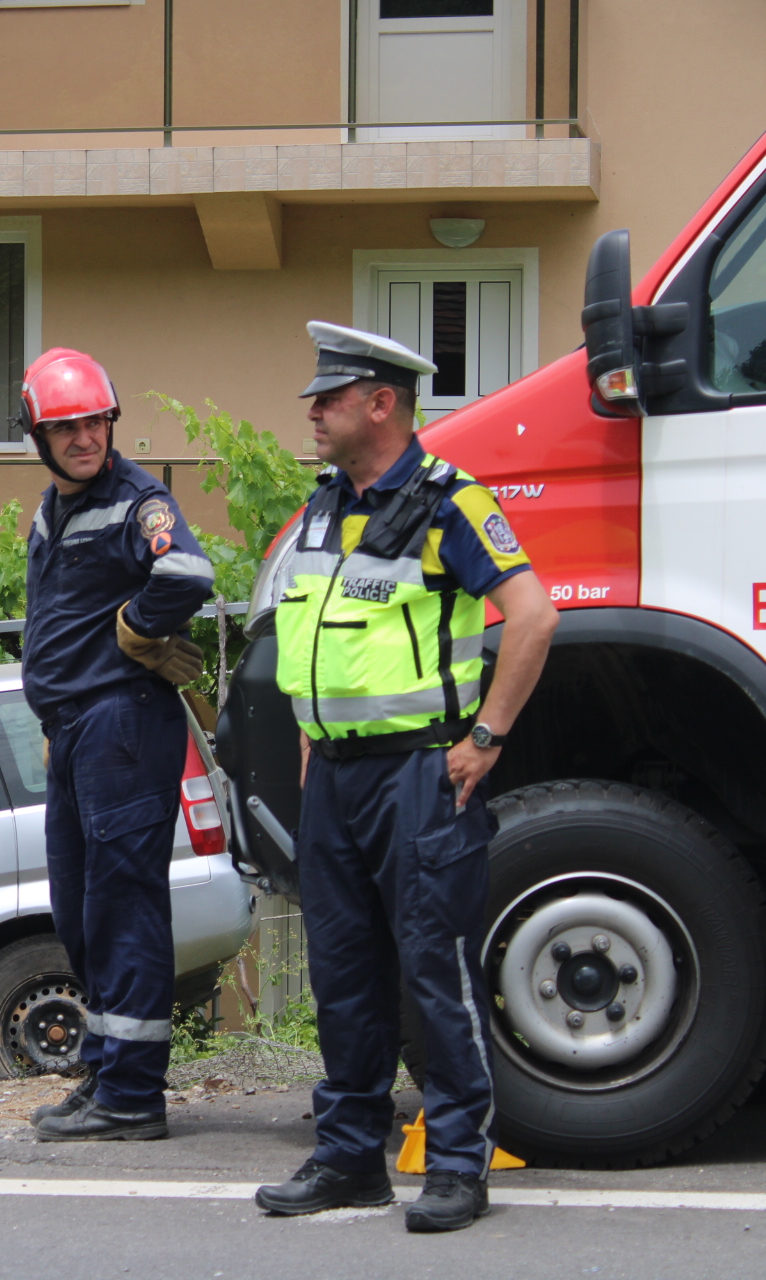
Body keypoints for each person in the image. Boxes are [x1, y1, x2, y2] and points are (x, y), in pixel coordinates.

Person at [253, 323, 558, 1232]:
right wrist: (313, 738)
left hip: (420, 775)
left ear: (380, 404)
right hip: (337, 781)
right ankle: (351, 1158)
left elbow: (533, 618)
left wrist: (486, 739)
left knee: (435, 973)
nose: (312, 410)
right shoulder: (321, 508)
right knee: (342, 978)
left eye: (330, 396)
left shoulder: (448, 504)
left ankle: (460, 1165)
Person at [17, 347, 216, 1141]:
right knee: (81, 912)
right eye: (66, 428)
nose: (84, 438)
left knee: (124, 909)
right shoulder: (50, 508)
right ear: (38, 435)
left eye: (95, 422)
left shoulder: (139, 500)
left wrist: (135, 629)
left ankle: (133, 1095)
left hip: (123, 726)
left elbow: (188, 575)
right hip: (74, 733)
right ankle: (104, 1074)